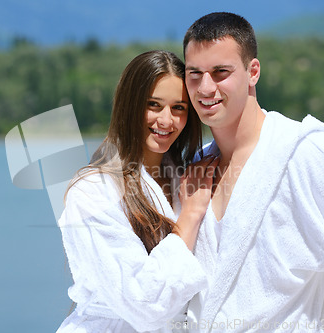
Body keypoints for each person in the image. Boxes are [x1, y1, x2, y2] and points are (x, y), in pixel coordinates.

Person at [181, 12, 324, 332]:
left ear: (252, 72)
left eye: (220, 72)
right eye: (194, 73)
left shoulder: (310, 156)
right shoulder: (195, 171)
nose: (205, 87)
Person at [56, 50, 218, 332]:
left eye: (179, 108)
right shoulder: (93, 192)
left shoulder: (186, 178)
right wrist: (190, 216)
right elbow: (144, 305)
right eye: (153, 105)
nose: (167, 121)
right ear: (129, 106)